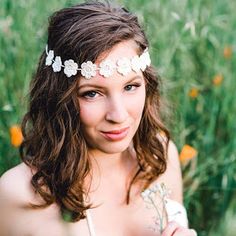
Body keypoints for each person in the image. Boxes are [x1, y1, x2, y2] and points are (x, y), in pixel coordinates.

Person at [0, 1, 197, 236]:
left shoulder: (159, 155)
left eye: (131, 86)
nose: (119, 115)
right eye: (92, 93)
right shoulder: (17, 194)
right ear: (58, 97)